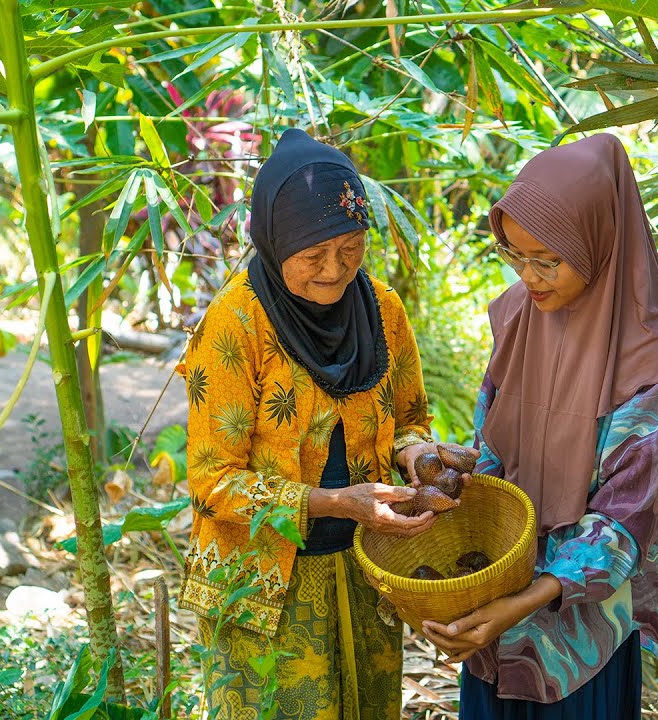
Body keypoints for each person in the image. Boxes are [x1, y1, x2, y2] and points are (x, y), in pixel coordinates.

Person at [178, 128, 474, 719]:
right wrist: (336, 502)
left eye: (352, 249)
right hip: (265, 584)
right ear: (273, 240)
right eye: (313, 256)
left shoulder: (383, 311)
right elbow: (213, 483)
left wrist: (417, 455)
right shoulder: (236, 325)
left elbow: (409, 419)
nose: (335, 271)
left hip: (366, 566)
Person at [422, 133, 658, 718]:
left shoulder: (650, 368)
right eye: (515, 256)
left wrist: (529, 599)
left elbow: (626, 523)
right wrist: (464, 475)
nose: (529, 276)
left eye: (547, 259)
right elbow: (492, 443)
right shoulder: (519, 318)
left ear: (600, 242)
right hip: (493, 614)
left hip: (577, 637)